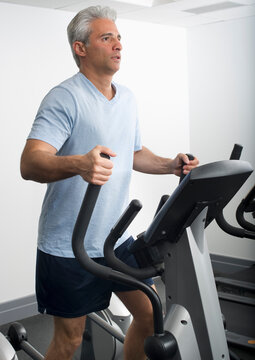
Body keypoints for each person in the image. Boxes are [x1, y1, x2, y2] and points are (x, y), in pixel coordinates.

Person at [20, 5, 199, 360]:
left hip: (114, 240)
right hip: (68, 246)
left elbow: (130, 153)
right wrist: (79, 164)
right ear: (80, 48)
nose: (118, 45)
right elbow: (30, 162)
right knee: (69, 340)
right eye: (107, 38)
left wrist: (170, 164)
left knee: (149, 315)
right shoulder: (64, 98)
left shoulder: (127, 97)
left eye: (119, 38)